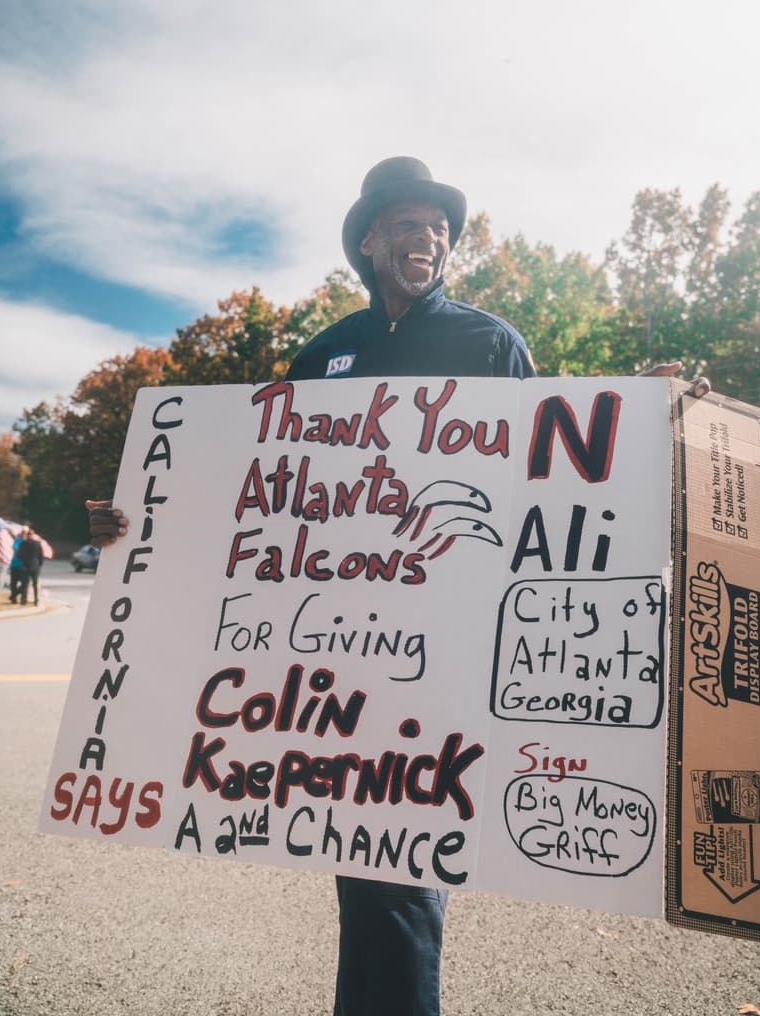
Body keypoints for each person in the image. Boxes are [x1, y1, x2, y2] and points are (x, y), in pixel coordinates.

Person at [87, 156, 709, 1016]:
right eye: (409, 224)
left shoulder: (490, 343)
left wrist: (640, 427)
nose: (429, 239)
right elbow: (257, 484)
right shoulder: (324, 353)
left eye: (439, 226)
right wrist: (139, 517)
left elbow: (551, 477)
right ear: (370, 239)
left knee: (403, 872)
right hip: (338, 656)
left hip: (449, 650)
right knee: (370, 872)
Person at [17, 528, 44, 605]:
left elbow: (19, 555)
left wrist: (23, 560)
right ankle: (36, 600)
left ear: (27, 535)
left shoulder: (23, 543)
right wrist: (40, 565)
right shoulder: (38, 543)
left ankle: (23, 600)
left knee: (25, 584)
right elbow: (41, 556)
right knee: (35, 584)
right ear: (32, 535)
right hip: (35, 566)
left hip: (25, 565)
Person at [9, 526, 28, 604]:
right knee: (13, 583)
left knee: (24, 583)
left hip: (24, 566)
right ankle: (14, 599)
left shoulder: (28, 541)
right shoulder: (18, 540)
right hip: (15, 564)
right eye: (23, 532)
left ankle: (14, 595)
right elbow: (15, 549)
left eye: (25, 532)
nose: (24, 533)